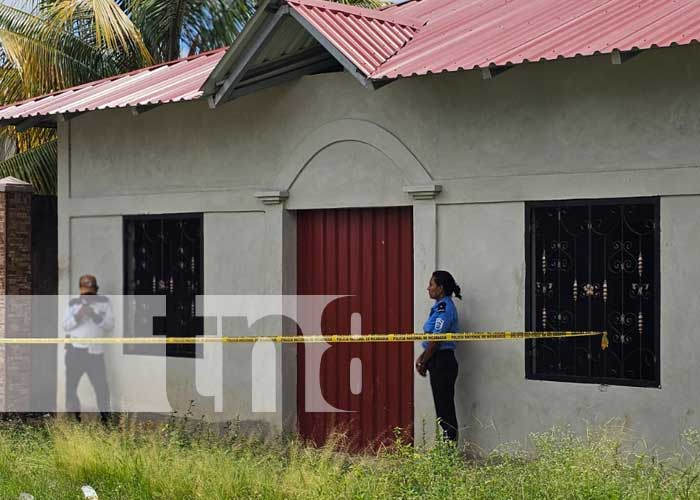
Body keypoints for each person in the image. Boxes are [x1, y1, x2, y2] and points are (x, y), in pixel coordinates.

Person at [415, 270, 461, 442]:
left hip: (443, 361)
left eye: (431, 284)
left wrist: (424, 361)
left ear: (440, 288)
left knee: (445, 409)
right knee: (442, 408)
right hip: (437, 358)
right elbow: (432, 341)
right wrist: (423, 356)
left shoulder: (444, 308)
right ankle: (447, 448)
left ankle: (449, 452)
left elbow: (437, 338)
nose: (428, 288)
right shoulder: (439, 307)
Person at [62, 274, 114, 424]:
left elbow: (110, 326)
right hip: (74, 351)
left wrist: (95, 315)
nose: (88, 296)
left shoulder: (104, 303)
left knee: (101, 387)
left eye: (91, 292)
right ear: (80, 291)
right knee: (71, 388)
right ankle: (73, 419)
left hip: (95, 352)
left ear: (96, 290)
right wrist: (78, 316)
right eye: (85, 292)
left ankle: (106, 420)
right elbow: (65, 326)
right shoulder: (73, 304)